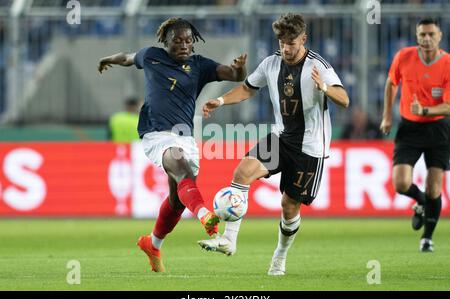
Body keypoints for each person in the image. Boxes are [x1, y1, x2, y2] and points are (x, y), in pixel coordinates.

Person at [198, 13, 349, 275]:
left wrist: (323, 86)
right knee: (243, 170)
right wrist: (220, 101)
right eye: (282, 42)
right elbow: (247, 88)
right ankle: (229, 240)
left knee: (289, 206)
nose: (286, 48)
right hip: (280, 138)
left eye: (291, 42)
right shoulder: (271, 64)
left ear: (304, 39)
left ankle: (280, 256)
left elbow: (345, 99)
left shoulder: (319, 66)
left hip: (310, 149)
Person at [98, 17, 247, 272]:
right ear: (165, 42)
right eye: (178, 40)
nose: (184, 45)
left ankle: (152, 244)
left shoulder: (200, 65)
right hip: (156, 133)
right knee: (180, 167)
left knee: (177, 200)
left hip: (185, 135)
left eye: (189, 40)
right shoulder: (151, 56)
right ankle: (205, 217)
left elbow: (233, 75)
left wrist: (240, 69)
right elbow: (127, 57)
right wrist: (108, 59)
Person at [380, 18, 450, 252]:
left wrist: (426, 110)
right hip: (409, 128)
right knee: (400, 183)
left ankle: (427, 238)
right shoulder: (404, 56)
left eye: (431, 34)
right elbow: (391, 83)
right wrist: (387, 116)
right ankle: (420, 203)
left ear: (439, 36)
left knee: (434, 188)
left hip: (438, 128)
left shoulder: (448, 63)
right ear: (417, 36)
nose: (427, 39)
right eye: (422, 35)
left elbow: (449, 105)